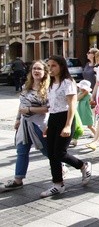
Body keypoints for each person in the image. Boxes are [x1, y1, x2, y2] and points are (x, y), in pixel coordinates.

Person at [42, 55, 92, 198]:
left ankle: (83, 165)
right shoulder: (51, 83)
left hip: (65, 117)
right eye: (49, 66)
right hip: (53, 118)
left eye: (54, 66)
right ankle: (58, 184)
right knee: (52, 154)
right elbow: (51, 106)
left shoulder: (68, 82)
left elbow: (71, 105)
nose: (50, 69)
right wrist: (47, 124)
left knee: (60, 152)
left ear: (61, 66)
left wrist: (68, 125)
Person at [2, 61, 52, 191]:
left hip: (38, 125)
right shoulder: (26, 86)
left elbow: (48, 108)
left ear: (45, 72)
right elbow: (22, 104)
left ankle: (60, 166)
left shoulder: (48, 89)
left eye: (39, 69)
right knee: (22, 151)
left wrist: (30, 110)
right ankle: (18, 179)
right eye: (34, 68)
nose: (36, 71)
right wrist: (18, 119)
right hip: (24, 124)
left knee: (47, 151)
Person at [72, 80, 96, 147]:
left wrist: (92, 102)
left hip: (87, 112)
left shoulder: (90, 95)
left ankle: (97, 136)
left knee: (90, 126)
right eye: (80, 88)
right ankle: (75, 140)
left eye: (83, 88)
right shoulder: (80, 94)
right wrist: (83, 94)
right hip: (80, 111)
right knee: (77, 126)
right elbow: (77, 99)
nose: (81, 89)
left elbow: (92, 102)